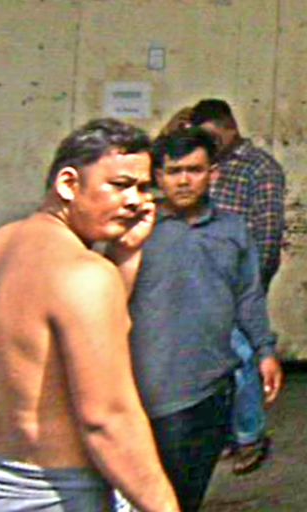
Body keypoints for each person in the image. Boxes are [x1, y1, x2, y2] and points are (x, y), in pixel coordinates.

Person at [0, 118, 180, 512]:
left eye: (142, 188)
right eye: (120, 185)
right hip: (50, 494)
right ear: (68, 184)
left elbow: (66, 345)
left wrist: (125, 255)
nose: (136, 201)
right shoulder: (84, 274)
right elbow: (107, 420)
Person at [116, 128, 283, 512]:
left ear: (213, 174)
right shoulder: (135, 230)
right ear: (158, 176)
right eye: (174, 171)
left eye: (194, 170)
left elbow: (248, 296)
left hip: (211, 389)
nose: (184, 180)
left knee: (187, 495)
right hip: (145, 389)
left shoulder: (232, 230)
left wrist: (265, 351)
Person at [190, 99, 286, 474]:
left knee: (244, 359)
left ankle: (249, 436)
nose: (209, 144)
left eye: (214, 137)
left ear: (230, 127)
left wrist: (251, 288)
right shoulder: (205, 164)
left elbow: (268, 234)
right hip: (202, 281)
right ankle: (229, 435)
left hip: (237, 283)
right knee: (217, 362)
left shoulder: (260, 168)